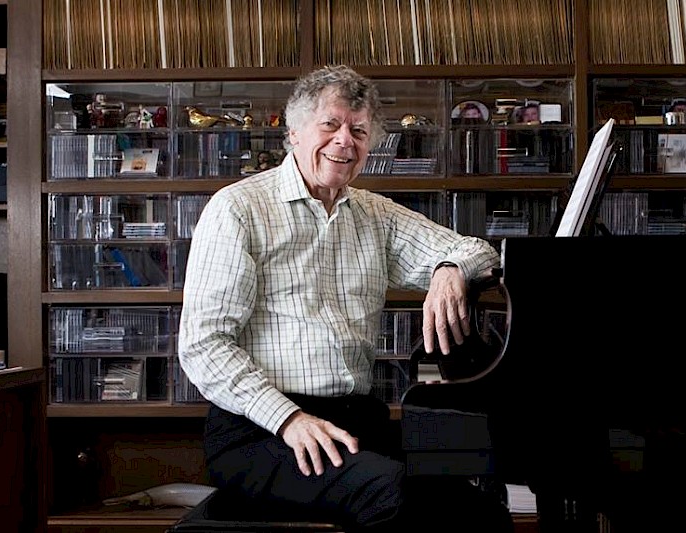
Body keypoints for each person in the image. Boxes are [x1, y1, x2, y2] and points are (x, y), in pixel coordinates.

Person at [178, 65, 508, 532]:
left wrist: (449, 269)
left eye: (358, 130)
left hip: (357, 423)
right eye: (330, 125)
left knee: (478, 505)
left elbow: (479, 250)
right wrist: (289, 419)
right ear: (294, 132)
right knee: (393, 495)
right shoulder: (238, 209)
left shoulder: (375, 214)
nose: (344, 141)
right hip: (261, 431)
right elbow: (203, 345)